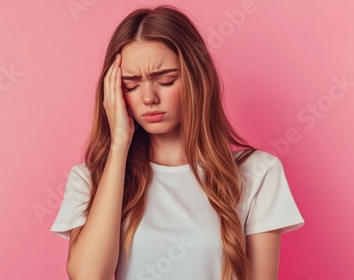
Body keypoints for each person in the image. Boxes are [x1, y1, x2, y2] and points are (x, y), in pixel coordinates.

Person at [50, 5, 304, 280]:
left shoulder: (257, 173)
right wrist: (119, 144)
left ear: (197, 79)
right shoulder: (90, 180)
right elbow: (88, 277)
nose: (148, 97)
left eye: (166, 80)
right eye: (131, 85)